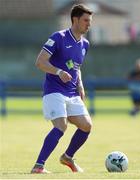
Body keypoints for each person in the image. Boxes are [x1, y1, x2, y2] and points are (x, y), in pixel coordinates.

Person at [31, 4, 93, 174]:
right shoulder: (58, 37)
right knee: (61, 126)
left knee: (87, 126)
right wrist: (58, 72)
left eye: (90, 21)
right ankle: (39, 166)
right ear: (75, 20)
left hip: (72, 92)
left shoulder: (85, 44)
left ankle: (67, 157)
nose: (89, 24)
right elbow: (40, 62)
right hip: (54, 91)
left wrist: (80, 84)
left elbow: (77, 67)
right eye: (86, 20)